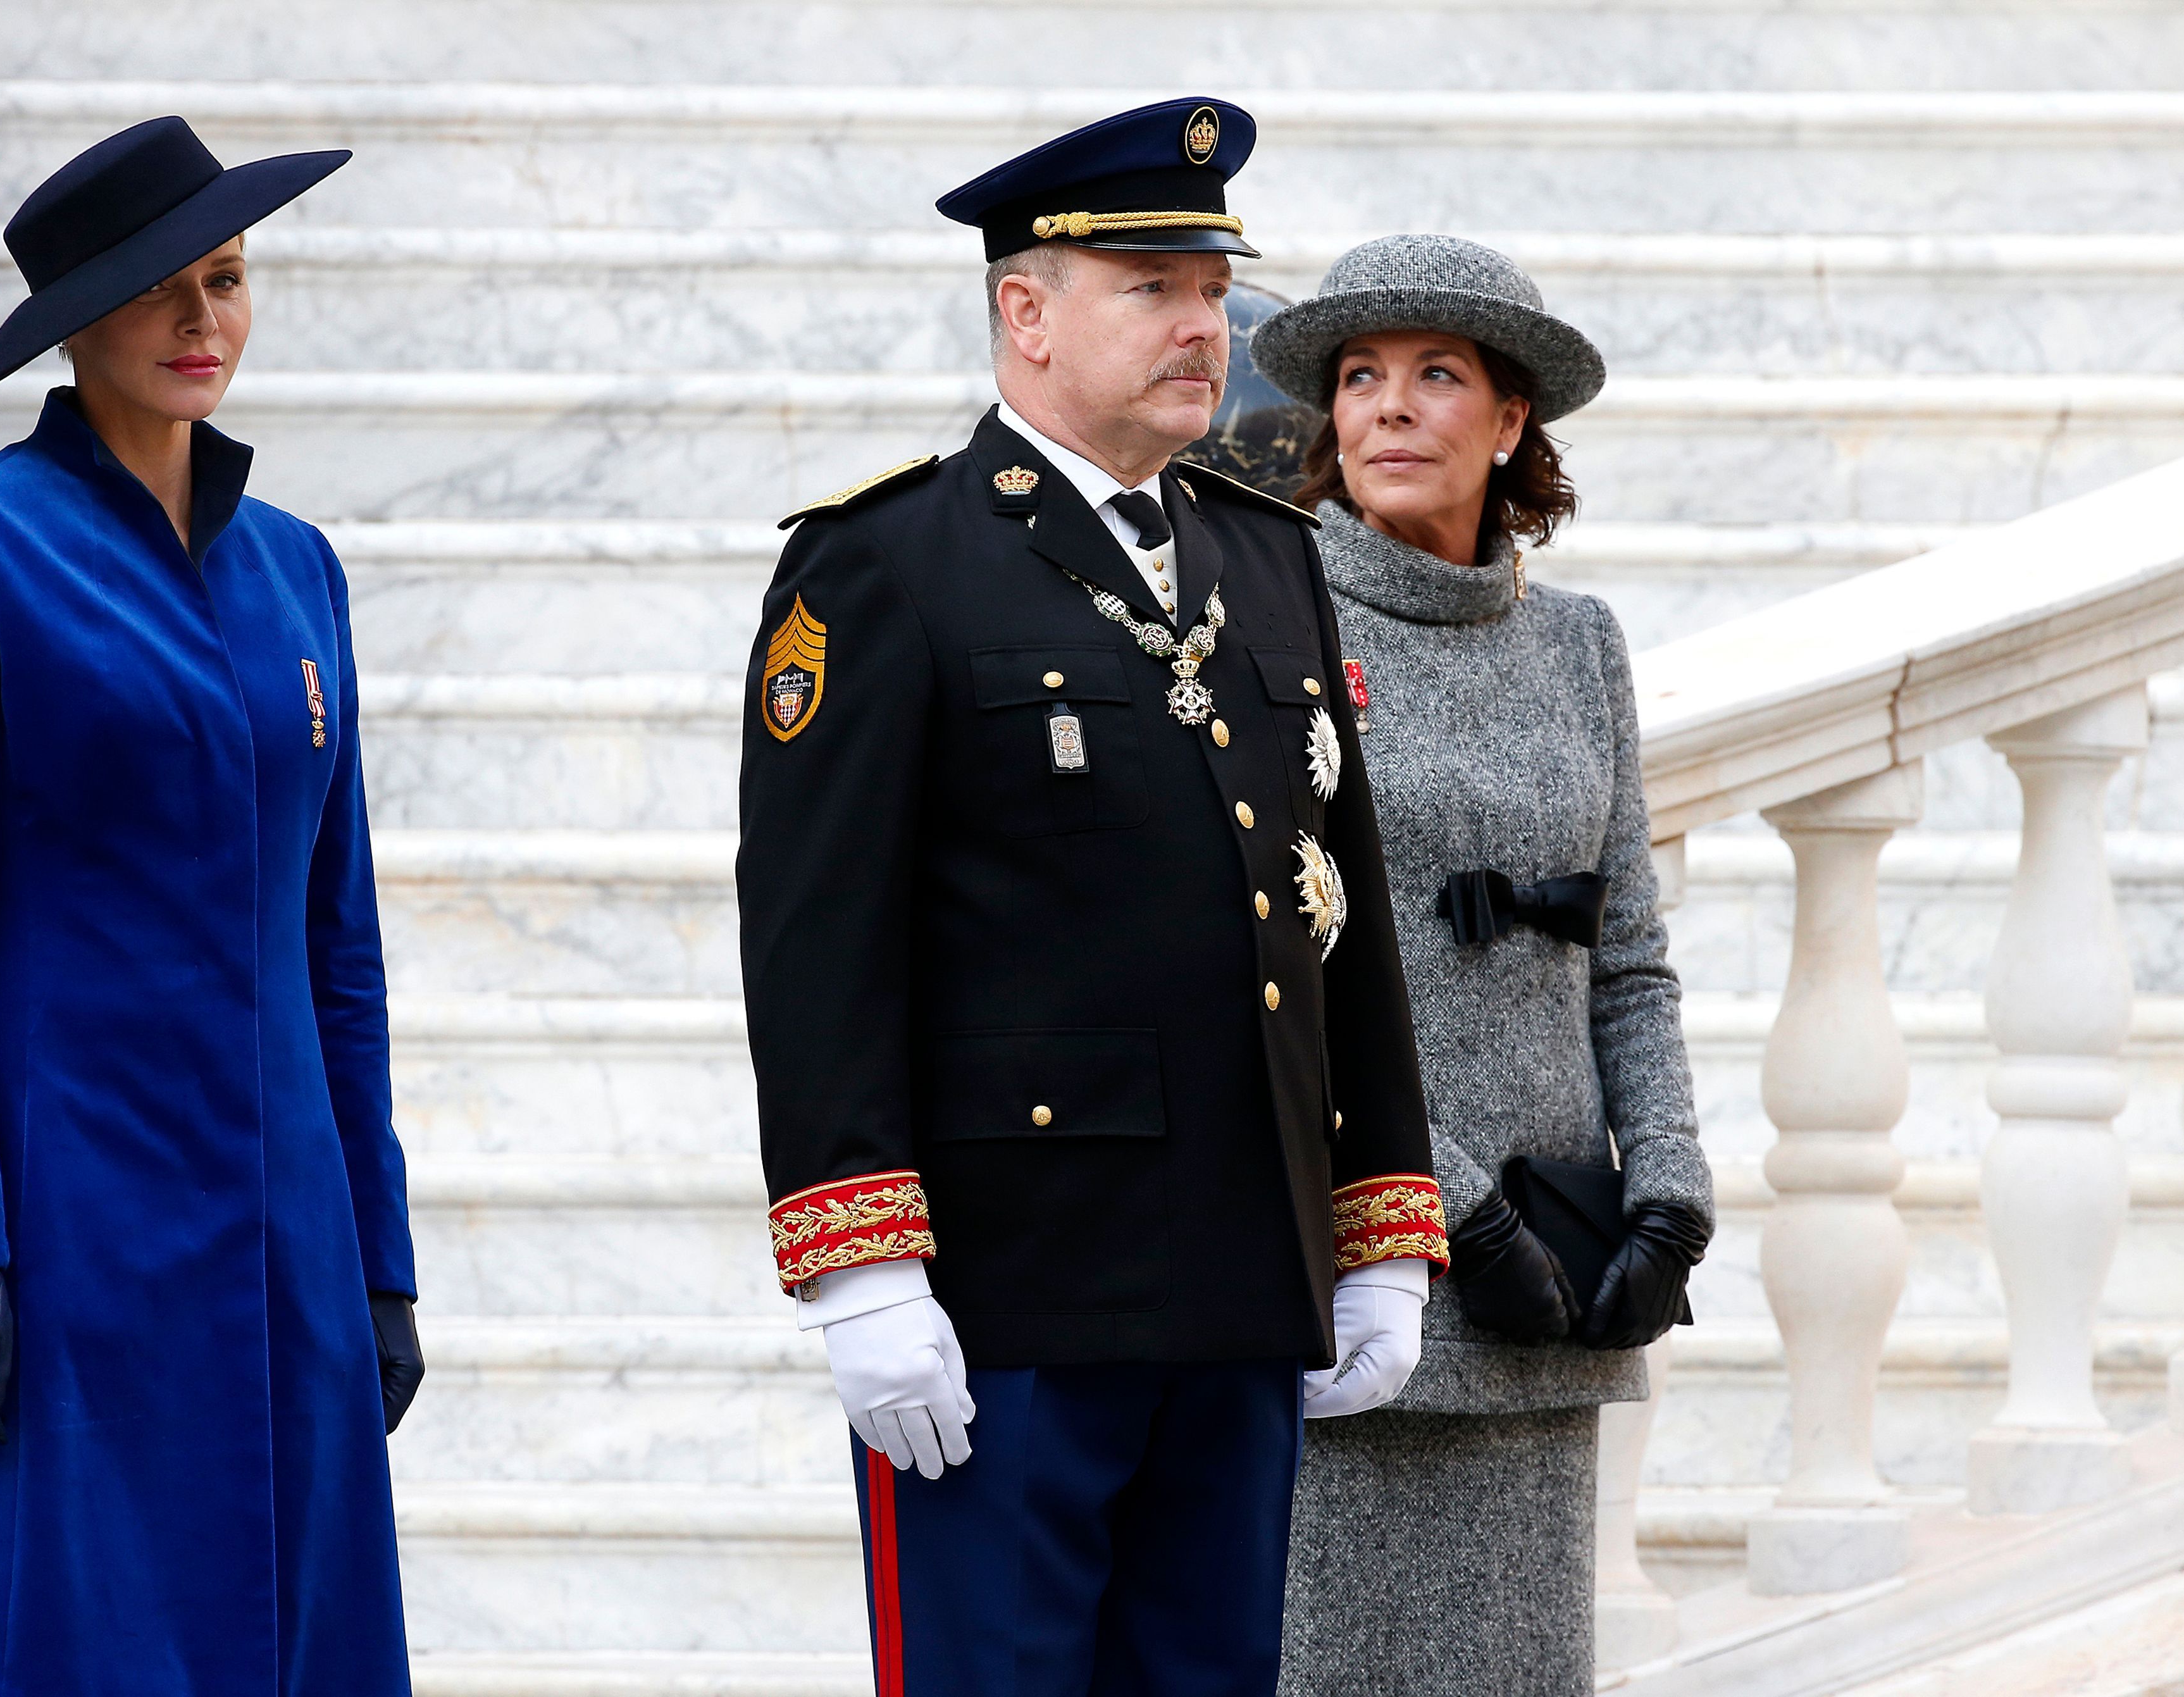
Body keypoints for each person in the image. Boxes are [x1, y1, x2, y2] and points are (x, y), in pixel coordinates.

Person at [735, 101, 1450, 1696]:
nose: (1204, 327)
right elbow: (816, 944)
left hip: (1240, 1274)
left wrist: (1382, 1216)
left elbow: (1340, 903)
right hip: (1011, 1297)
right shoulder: (885, 564)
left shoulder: (1265, 556)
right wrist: (861, 1263)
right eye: (1149, 287)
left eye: (1210, 290)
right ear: (1026, 309)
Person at [0, 116, 424, 1696]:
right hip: (71, 1219)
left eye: (229, 282)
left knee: (291, 1636)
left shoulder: (299, 572)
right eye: (164, 290)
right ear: (78, 321)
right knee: (65, 1633)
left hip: (287, 1222)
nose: (205, 324)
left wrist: (377, 1247)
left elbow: (340, 947)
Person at [1248, 235, 1716, 1695]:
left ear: (1511, 421)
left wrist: (1672, 1198)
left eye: (1436, 375)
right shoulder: (1269, 624)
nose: (1387, 407)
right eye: (1360, 377)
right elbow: (1274, 975)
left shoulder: (1581, 645)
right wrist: (1452, 1209)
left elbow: (1625, 954)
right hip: (1367, 1257)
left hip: (1556, 1278)